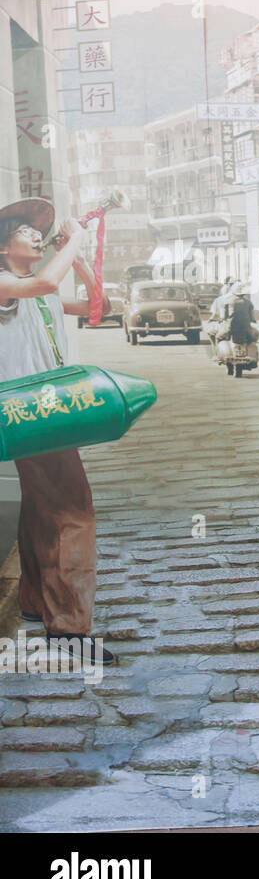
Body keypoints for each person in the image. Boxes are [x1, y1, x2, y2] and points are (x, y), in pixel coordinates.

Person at [0, 198, 116, 666]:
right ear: (4, 245)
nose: (34, 234)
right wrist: (77, 242)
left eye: (36, 230)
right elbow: (49, 280)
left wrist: (83, 260)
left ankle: (33, 599)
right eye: (24, 230)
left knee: (44, 506)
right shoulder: (9, 284)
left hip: (47, 409)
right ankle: (69, 628)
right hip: (31, 409)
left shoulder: (32, 287)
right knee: (72, 511)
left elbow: (98, 306)